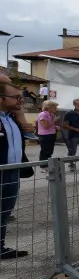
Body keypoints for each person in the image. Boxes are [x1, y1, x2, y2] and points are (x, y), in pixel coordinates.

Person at [0, 83, 32, 259]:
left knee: (4, 211)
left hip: (12, 171)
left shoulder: (11, 118)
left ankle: (0, 247)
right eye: (16, 97)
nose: (21, 100)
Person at [36, 100, 60, 166]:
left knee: (50, 151)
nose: (56, 108)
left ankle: (48, 164)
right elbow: (45, 126)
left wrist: (55, 127)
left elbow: (50, 125)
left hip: (52, 134)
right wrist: (54, 120)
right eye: (55, 107)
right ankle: (43, 165)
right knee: (45, 151)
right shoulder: (43, 114)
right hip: (45, 135)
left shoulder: (51, 114)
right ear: (49, 107)